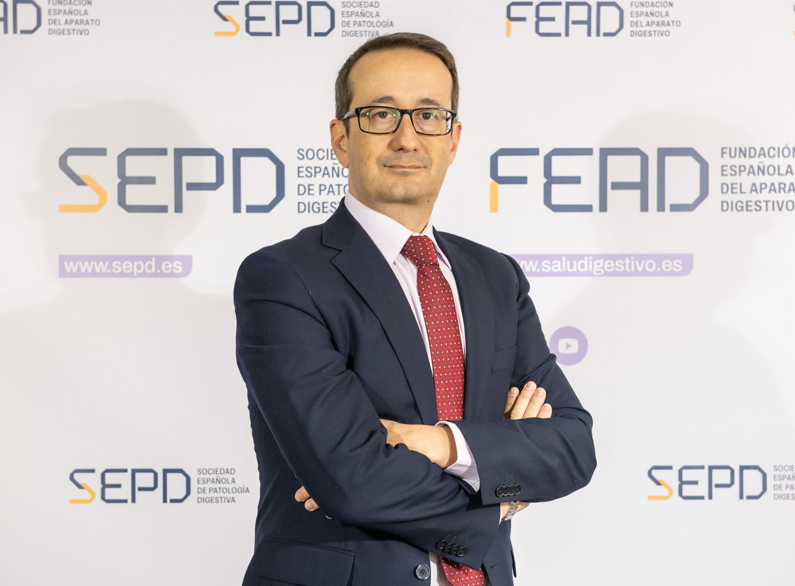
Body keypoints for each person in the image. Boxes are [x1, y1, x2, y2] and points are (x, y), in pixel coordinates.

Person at [234, 32, 596, 586]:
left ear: (453, 140)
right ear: (341, 139)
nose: (407, 137)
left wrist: (440, 442)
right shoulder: (283, 278)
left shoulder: (495, 276)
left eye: (429, 116)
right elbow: (350, 478)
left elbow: (571, 447)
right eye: (381, 114)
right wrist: (499, 496)